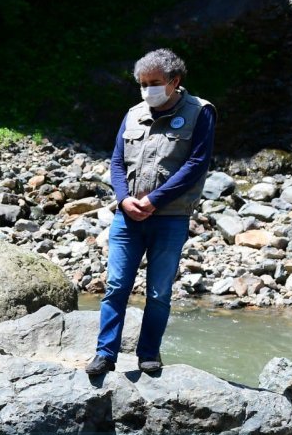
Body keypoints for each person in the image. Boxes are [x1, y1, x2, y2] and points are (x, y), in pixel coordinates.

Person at [85, 49, 217, 376]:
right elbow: (117, 161)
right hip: (127, 216)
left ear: (175, 81)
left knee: (159, 292)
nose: (148, 90)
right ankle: (105, 354)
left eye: (154, 83)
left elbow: (197, 163)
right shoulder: (133, 114)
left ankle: (148, 353)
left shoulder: (200, 112)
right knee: (116, 286)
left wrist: (155, 200)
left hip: (170, 218)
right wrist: (122, 199)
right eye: (143, 84)